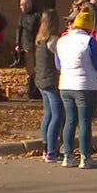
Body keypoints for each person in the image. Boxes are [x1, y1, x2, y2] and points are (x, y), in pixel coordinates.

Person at [56, 9, 97, 168]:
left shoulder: (61, 41)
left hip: (65, 84)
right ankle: (85, 157)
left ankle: (67, 155)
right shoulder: (89, 41)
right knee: (84, 121)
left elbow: (58, 65)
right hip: (85, 85)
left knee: (70, 120)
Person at [35, 9, 63, 161]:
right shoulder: (53, 41)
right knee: (57, 115)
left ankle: (46, 147)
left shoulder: (39, 39)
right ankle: (52, 151)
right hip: (51, 80)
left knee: (48, 114)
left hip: (41, 80)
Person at [16, 0, 42, 100]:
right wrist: (17, 43)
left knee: (35, 68)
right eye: (20, 5)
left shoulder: (37, 15)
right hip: (25, 44)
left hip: (34, 44)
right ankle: (31, 88)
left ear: (29, 5)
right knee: (29, 68)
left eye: (23, 5)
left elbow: (34, 28)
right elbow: (19, 29)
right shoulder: (22, 16)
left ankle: (34, 89)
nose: (21, 7)